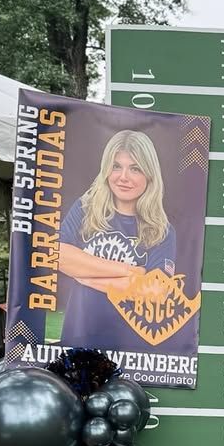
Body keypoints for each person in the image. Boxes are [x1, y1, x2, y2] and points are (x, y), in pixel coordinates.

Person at [57, 130, 179, 350]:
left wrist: (85, 275)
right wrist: (133, 272)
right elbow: (58, 256)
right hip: (78, 339)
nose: (123, 177)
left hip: (131, 348)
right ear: (106, 170)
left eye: (135, 168)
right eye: (116, 166)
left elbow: (154, 294)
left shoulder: (162, 231)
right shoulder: (86, 209)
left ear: (149, 175)